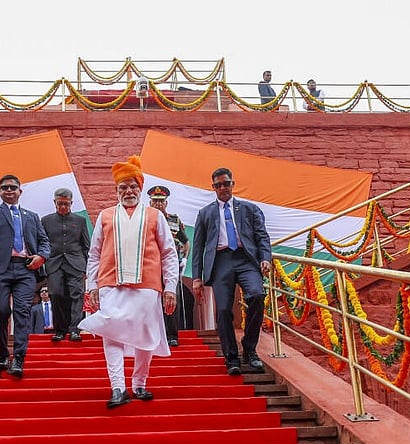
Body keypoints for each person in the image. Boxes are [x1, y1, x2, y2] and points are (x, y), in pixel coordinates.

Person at [79, 155, 178, 409]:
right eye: (123, 187)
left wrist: (170, 287)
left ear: (140, 188)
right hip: (110, 283)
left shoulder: (155, 216)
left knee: (144, 334)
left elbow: (169, 253)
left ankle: (139, 383)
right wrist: (92, 286)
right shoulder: (105, 216)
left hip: (147, 285)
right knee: (110, 331)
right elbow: (94, 254)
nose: (128, 191)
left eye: (133, 186)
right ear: (116, 190)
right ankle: (117, 387)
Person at [191, 167, 272, 376]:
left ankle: (250, 348)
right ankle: (231, 358)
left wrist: (265, 258)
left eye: (226, 183)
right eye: (218, 185)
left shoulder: (249, 209)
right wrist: (197, 277)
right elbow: (198, 247)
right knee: (224, 309)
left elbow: (262, 236)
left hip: (246, 259)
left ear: (232, 184)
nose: (223, 188)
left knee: (257, 295)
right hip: (221, 262)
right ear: (213, 188)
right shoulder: (205, 213)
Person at [0, 175, 50, 379]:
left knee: (22, 311)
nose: (9, 190)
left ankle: (19, 358)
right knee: (1, 311)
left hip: (25, 269)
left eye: (12, 187)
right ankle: (2, 355)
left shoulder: (31, 216)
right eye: (4, 188)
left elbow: (44, 241)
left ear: (19, 191)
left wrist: (41, 256)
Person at [40, 188, 90, 342]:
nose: (63, 207)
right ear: (54, 202)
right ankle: (60, 330)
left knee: (77, 295)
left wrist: (87, 267)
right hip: (54, 263)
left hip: (76, 263)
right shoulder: (46, 221)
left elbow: (85, 245)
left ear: (71, 203)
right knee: (56, 294)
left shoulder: (80, 221)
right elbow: (42, 242)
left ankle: (75, 329)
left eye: (66, 204)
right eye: (60, 203)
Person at [147, 185, 190, 347]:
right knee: (151, 300)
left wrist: (184, 259)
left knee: (171, 298)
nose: (158, 204)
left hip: (171, 266)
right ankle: (153, 334)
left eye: (161, 201)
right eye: (155, 201)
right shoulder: (145, 218)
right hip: (151, 266)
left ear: (166, 203)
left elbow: (186, 242)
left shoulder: (174, 220)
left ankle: (172, 335)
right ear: (150, 203)